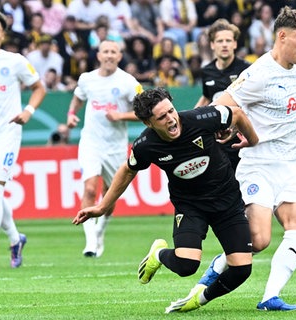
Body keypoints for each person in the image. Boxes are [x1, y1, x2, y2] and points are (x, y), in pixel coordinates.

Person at [172, 6, 296, 312]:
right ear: (282, 36)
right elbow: (221, 103)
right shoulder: (258, 74)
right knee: (258, 240)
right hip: (258, 165)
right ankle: (212, 272)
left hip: (291, 164)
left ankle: (269, 297)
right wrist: (225, 127)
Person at [72, 87, 259, 313]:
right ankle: (158, 254)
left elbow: (236, 113)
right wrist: (102, 206)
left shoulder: (201, 118)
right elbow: (128, 170)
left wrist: (253, 140)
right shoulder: (145, 145)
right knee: (187, 265)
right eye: (162, 117)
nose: (171, 119)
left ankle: (200, 298)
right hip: (191, 207)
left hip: (227, 202)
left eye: (171, 111)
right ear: (149, 123)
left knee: (241, 270)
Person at [0, 8, 46, 269]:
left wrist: (28, 111)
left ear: (3, 34)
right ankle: (14, 238)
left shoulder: (15, 61)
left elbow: (38, 87)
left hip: (6, 135)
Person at [66, 40, 143, 258]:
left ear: (119, 56)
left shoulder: (128, 82)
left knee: (110, 195)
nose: (109, 55)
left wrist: (121, 115)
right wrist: (71, 115)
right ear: (98, 55)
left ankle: (101, 229)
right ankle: (90, 242)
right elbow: (77, 99)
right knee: (90, 189)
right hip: (91, 143)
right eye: (105, 51)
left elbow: (144, 112)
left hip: (115, 146)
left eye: (113, 52)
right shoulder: (87, 79)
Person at [194, 19, 250, 170]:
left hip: (242, 138)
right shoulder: (207, 72)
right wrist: (191, 119)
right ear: (212, 44)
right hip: (217, 138)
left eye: (228, 40)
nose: (224, 44)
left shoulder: (247, 70)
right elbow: (207, 97)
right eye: (220, 41)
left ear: (235, 44)